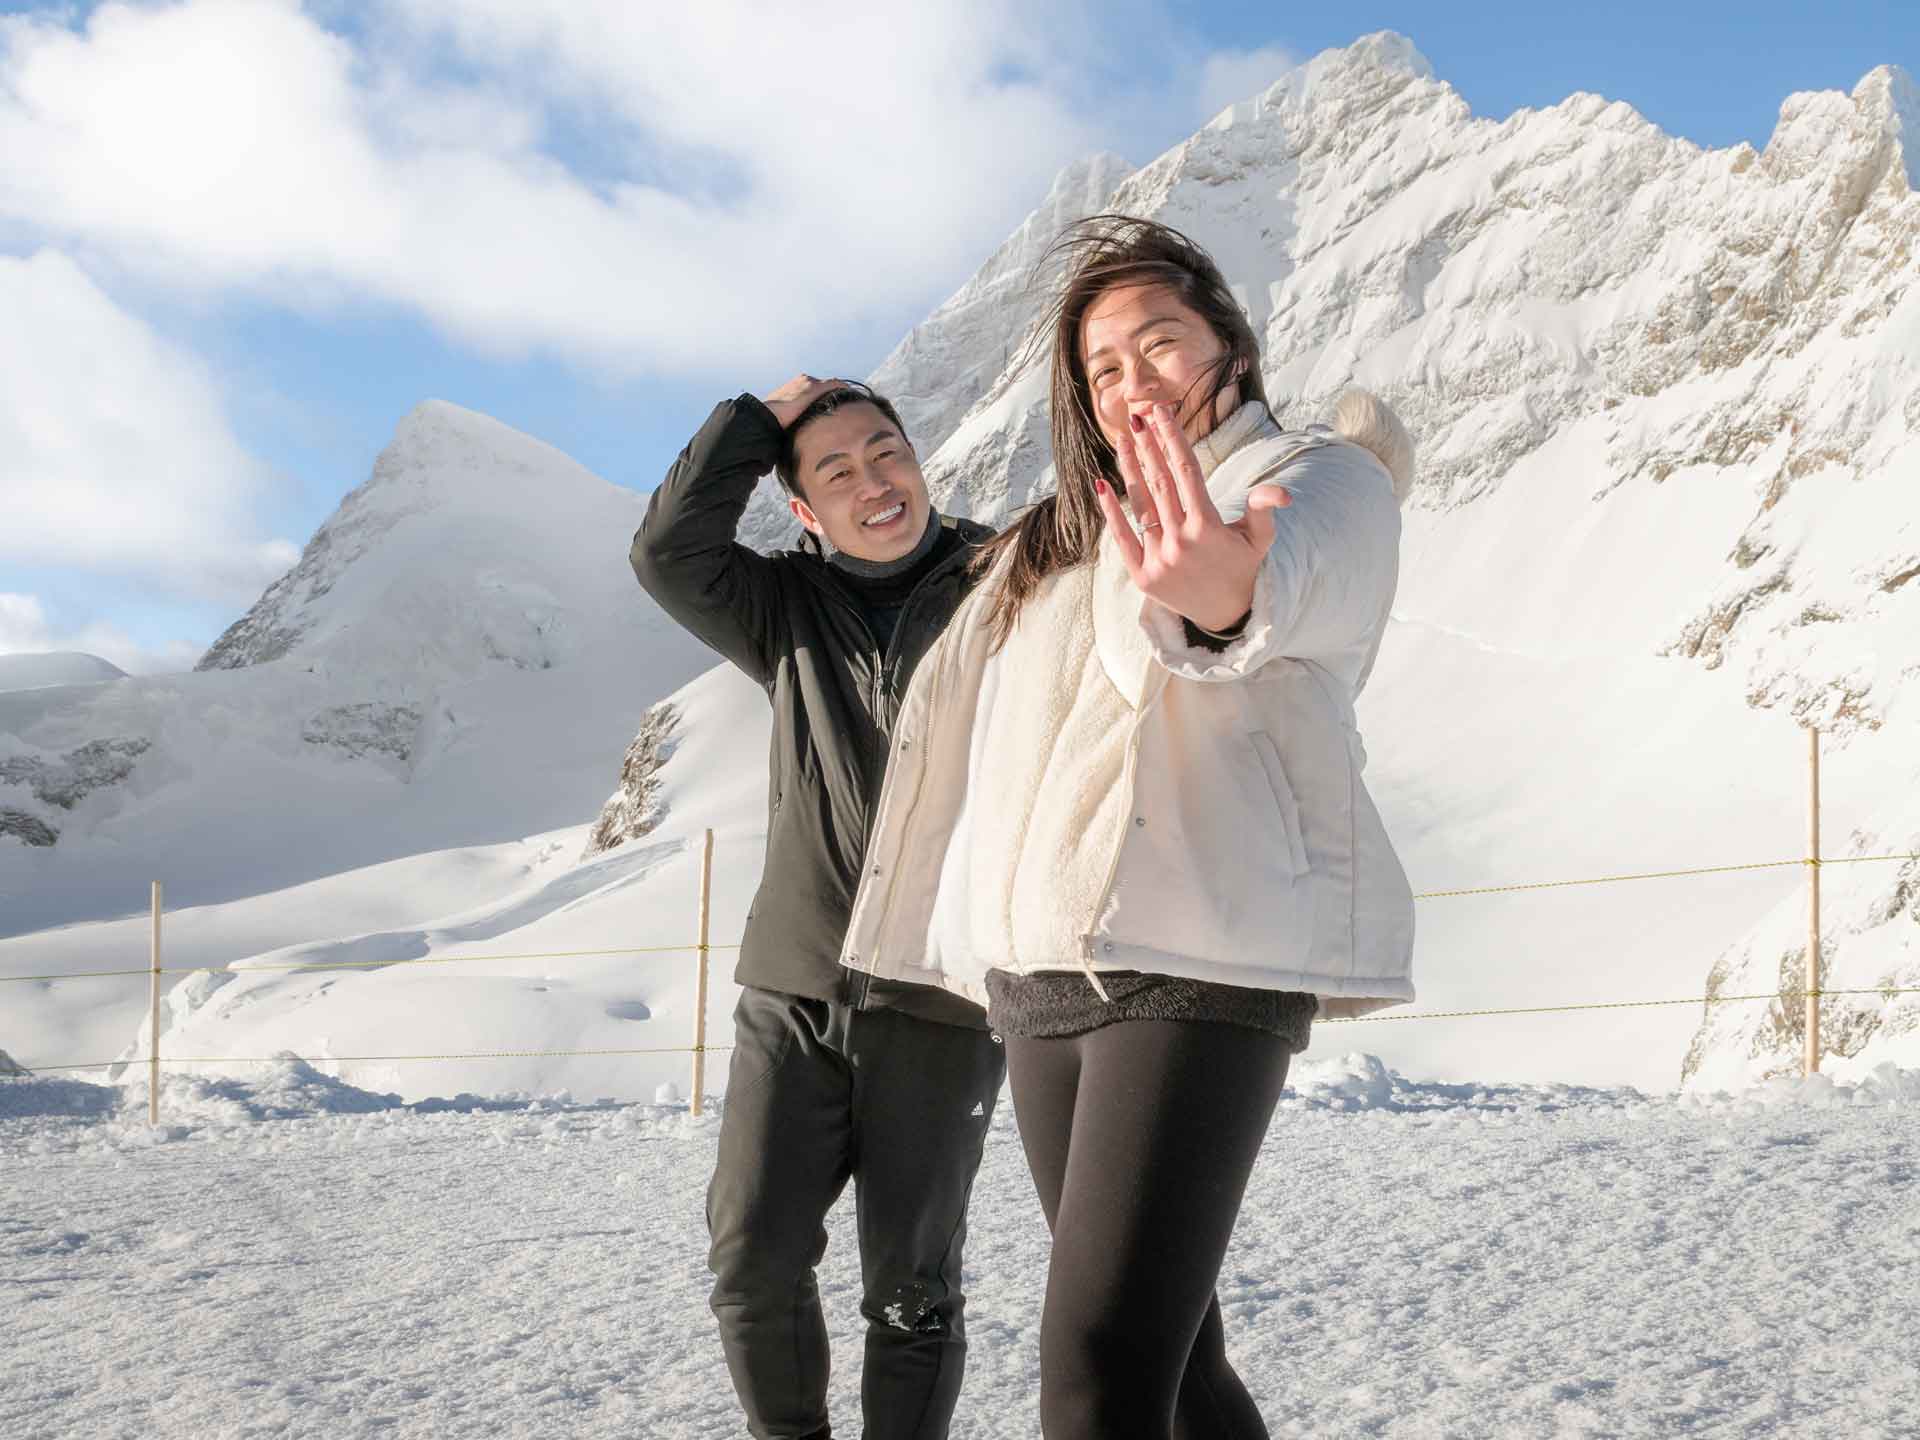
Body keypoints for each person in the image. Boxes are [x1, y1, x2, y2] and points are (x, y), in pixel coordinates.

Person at [839, 216, 1417, 1438]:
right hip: (1049, 972)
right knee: (1180, 1365)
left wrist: (1219, 597)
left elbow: (1286, 573)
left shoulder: (1315, 475)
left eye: (1159, 343)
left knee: (1098, 1368)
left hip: (1198, 960)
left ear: (1231, 347)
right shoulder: (1055, 543)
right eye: (1104, 368)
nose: (1133, 379)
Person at [631, 376, 1008, 1440]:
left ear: (919, 460)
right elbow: (665, 554)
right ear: (802, 509)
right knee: (750, 1258)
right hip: (795, 983)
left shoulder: (1004, 584)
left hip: (941, 992)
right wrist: (756, 421)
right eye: (835, 470)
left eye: (885, 452)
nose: (871, 482)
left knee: (912, 1290)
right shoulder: (783, 608)